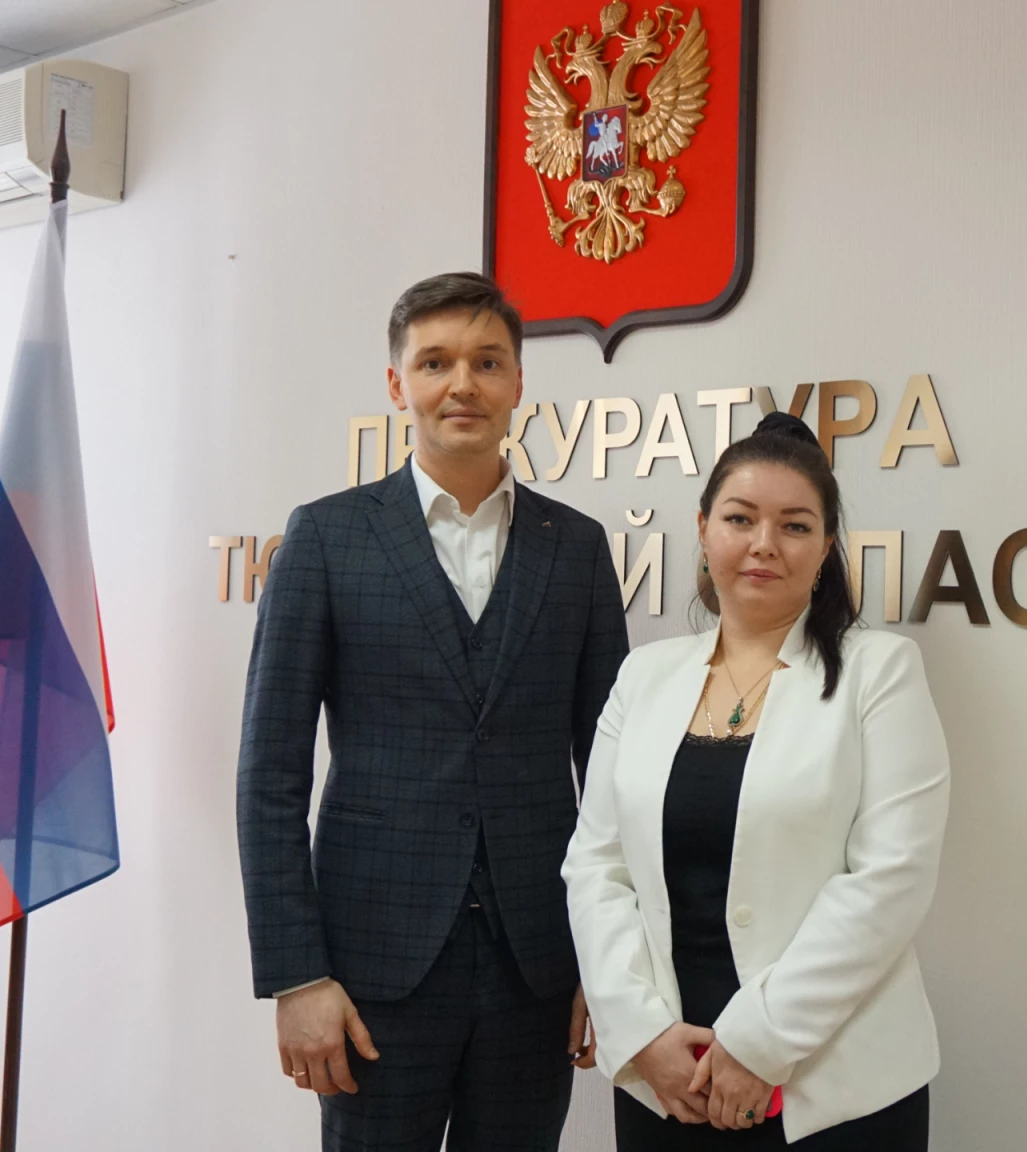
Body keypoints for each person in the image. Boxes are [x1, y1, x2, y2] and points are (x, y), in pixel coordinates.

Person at [236, 272, 627, 1151]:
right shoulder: (326, 539)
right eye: (436, 362)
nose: (463, 384)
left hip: (538, 967)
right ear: (396, 384)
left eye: (487, 362)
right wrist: (296, 975)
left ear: (518, 381)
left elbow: (613, 777)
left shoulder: (576, 549)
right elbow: (268, 777)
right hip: (371, 972)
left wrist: (609, 962)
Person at [563, 413, 951, 1148]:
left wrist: (757, 1044)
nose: (764, 543)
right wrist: (640, 1033)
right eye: (740, 518)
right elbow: (596, 867)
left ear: (826, 547)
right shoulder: (644, 675)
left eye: (795, 526)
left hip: (834, 1087)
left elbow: (890, 880)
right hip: (668, 1076)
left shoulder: (880, 672)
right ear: (704, 529)